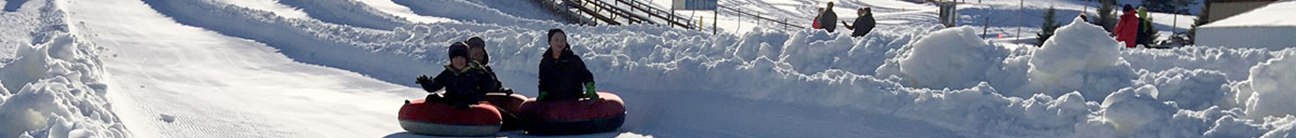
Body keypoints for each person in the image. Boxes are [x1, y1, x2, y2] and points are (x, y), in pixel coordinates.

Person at [416, 42, 491, 109]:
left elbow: (490, 85)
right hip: (451, 102)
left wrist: (483, 72)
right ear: (451, 60)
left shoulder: (473, 72)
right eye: (456, 58)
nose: (459, 61)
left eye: (462, 58)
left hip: (469, 103)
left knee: (462, 105)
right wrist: (425, 82)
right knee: (432, 98)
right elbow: (435, 85)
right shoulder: (448, 73)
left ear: (467, 59)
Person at [537, 29, 597, 102]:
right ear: (550, 42)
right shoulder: (545, 62)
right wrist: (543, 93)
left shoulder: (574, 60)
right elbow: (543, 80)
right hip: (553, 103)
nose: (560, 42)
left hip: (574, 101)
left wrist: (589, 86)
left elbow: (585, 74)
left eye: (563, 40)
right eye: (556, 39)